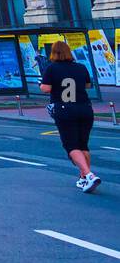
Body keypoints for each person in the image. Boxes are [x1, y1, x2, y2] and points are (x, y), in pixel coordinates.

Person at [40, 40, 100, 193]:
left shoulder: (52, 68)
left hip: (65, 109)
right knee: (83, 144)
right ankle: (84, 178)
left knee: (71, 145)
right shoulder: (80, 67)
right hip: (84, 108)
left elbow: (46, 88)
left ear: (53, 53)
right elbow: (87, 85)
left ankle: (88, 174)